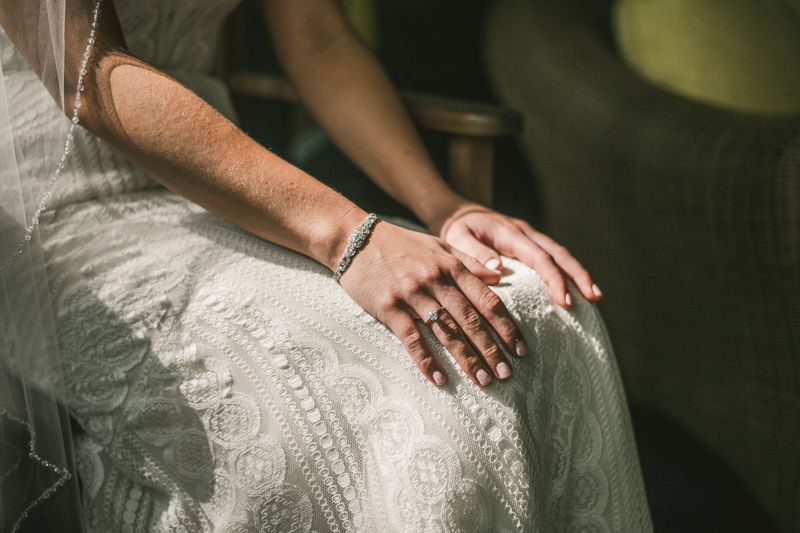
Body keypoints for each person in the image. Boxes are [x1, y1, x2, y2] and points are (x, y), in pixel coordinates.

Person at [0, 0, 652, 531]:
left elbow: (317, 35)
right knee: (350, 392)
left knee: (536, 305)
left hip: (230, 192)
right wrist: (350, 237)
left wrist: (442, 205)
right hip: (55, 216)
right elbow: (88, 75)